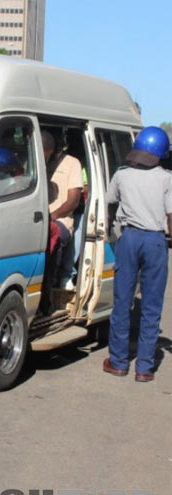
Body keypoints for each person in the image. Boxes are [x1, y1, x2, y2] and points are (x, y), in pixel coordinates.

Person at [103, 126, 172, 383]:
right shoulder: (167, 179)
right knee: (152, 306)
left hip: (129, 238)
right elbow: (171, 216)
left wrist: (112, 228)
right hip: (155, 241)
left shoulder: (122, 175)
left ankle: (118, 362)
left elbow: (111, 203)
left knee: (122, 302)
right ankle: (144, 368)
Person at [39, 129, 83, 314]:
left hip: (61, 221)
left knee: (52, 237)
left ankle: (46, 297)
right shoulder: (39, 160)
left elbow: (73, 200)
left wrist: (54, 215)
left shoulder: (72, 163)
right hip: (37, 217)